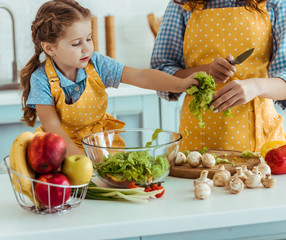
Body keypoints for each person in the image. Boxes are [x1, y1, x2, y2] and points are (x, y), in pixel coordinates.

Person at [20, 0, 198, 157]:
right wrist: (81, 160)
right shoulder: (40, 79)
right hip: (61, 148)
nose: (87, 48)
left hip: (101, 143)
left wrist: (180, 84)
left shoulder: (97, 64)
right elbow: (53, 128)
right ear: (49, 48)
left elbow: (139, 75)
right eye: (76, 43)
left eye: (89, 39)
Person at [151, 0, 286, 152]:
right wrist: (205, 72)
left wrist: (255, 86)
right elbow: (160, 72)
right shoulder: (183, 3)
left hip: (261, 142)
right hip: (198, 145)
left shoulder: (278, 2)